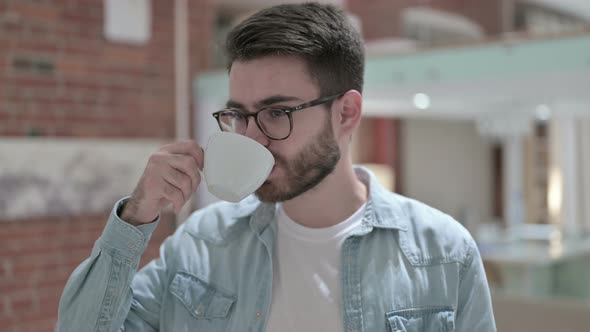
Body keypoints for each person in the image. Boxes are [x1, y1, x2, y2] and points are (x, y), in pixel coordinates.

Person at [57, 2, 496, 331]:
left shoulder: (444, 253)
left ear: (345, 114)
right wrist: (136, 216)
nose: (251, 138)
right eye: (239, 115)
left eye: (276, 113)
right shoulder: (202, 245)